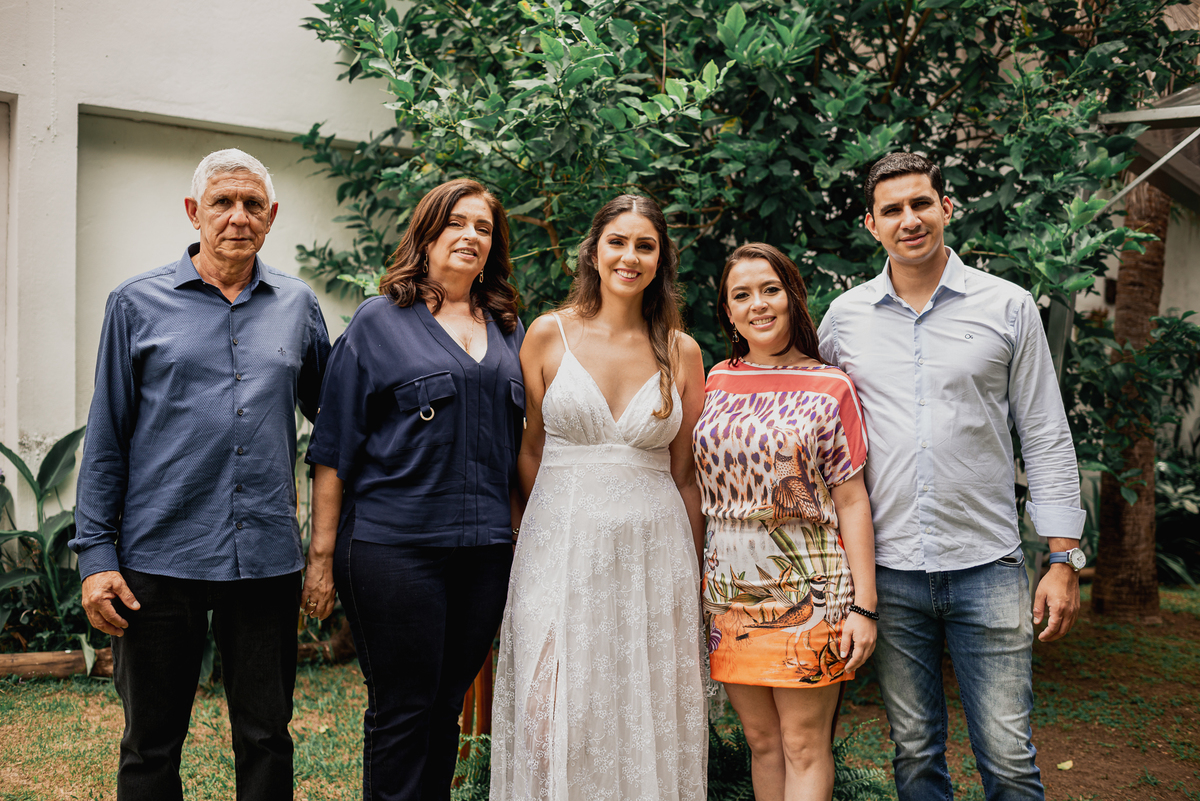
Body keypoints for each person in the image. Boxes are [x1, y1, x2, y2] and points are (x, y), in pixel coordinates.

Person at [818, 151, 1085, 800]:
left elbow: (1045, 432)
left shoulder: (1009, 306)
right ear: (871, 225)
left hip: (987, 564)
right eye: (892, 210)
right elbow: (817, 431)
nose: (909, 220)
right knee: (913, 754)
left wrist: (1062, 558)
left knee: (1009, 758)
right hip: (887, 571)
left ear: (947, 207)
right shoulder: (844, 319)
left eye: (921, 203)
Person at [70, 148, 331, 800]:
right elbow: (107, 435)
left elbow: (334, 421)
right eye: (222, 202)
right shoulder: (135, 303)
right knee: (150, 743)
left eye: (252, 204)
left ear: (271, 216)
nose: (238, 217)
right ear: (194, 211)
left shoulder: (298, 305)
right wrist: (96, 556)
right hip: (159, 557)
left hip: (265, 558)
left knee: (267, 735)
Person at [300, 178, 524, 801]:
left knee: (446, 705)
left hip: (484, 552)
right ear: (426, 235)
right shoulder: (378, 322)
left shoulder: (510, 328)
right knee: (403, 708)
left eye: (483, 228)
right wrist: (320, 558)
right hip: (393, 548)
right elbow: (333, 448)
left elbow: (525, 444)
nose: (470, 236)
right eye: (456, 222)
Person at [490, 194, 708, 801]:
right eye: (618, 242)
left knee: (640, 704)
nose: (629, 257)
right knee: (547, 707)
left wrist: (692, 574)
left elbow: (686, 475)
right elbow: (529, 449)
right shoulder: (547, 334)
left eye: (645, 245)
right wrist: (534, 531)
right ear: (593, 251)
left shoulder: (682, 351)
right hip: (558, 546)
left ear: (661, 260)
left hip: (654, 553)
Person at [694, 243, 877, 801]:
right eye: (741, 295)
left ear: (792, 296)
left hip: (811, 586)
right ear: (728, 312)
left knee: (801, 743)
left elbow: (852, 501)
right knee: (761, 741)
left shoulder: (832, 386)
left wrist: (865, 607)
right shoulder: (714, 380)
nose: (758, 304)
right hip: (729, 590)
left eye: (770, 289)